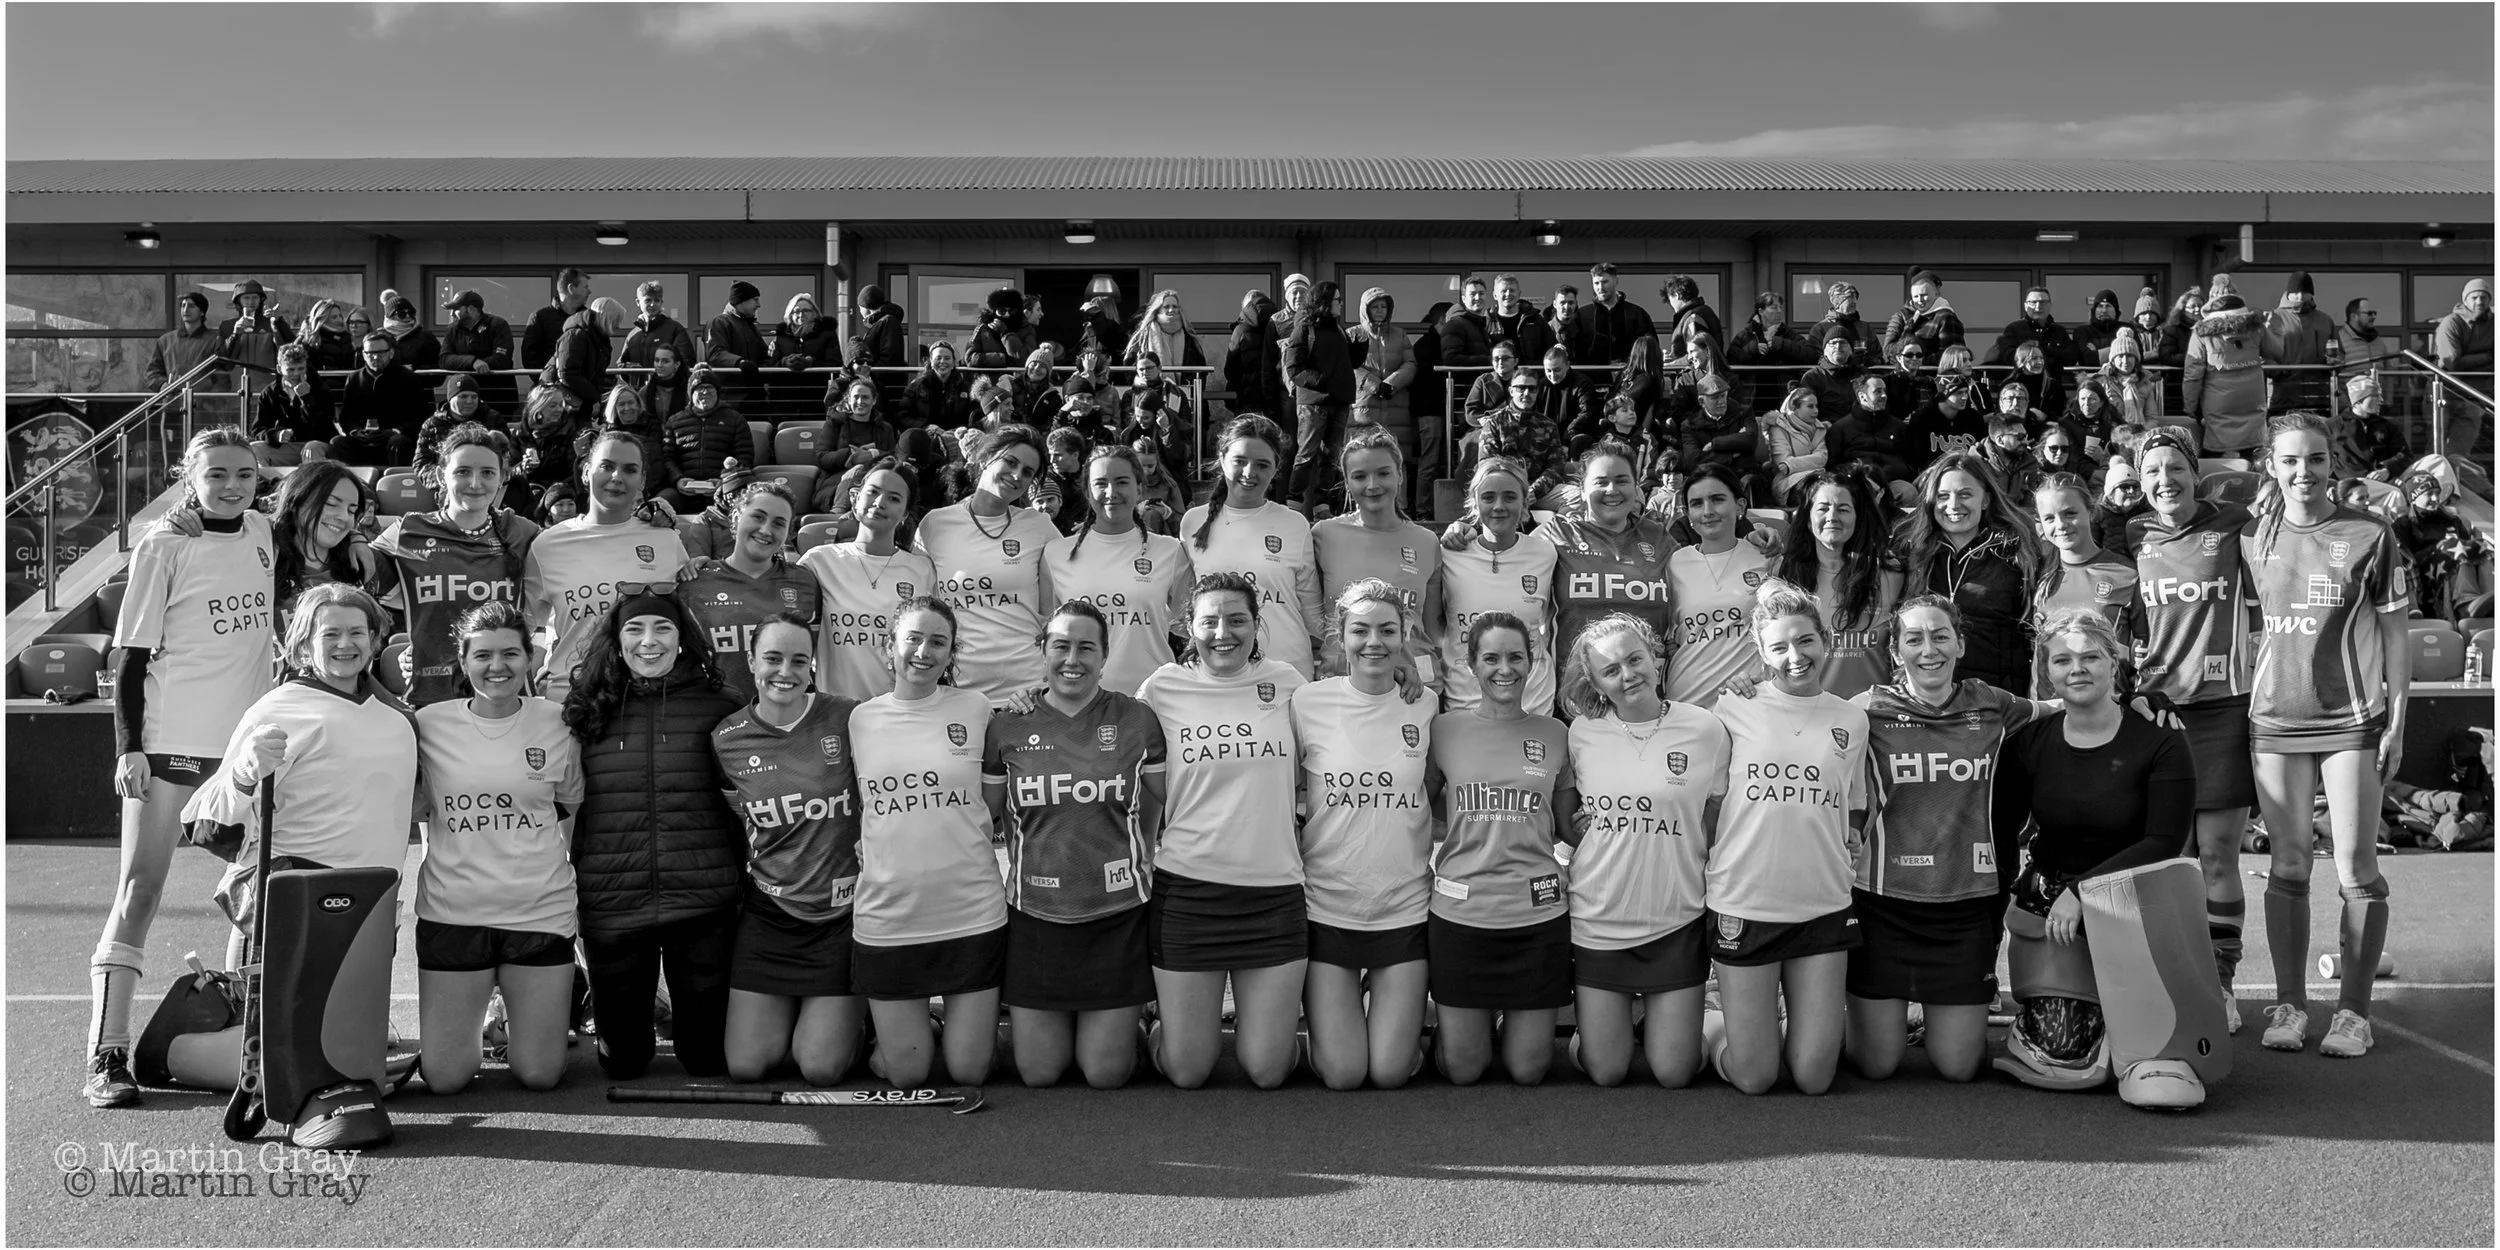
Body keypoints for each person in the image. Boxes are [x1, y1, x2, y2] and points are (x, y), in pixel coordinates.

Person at [82, 429, 275, 1108]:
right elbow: (130, 658)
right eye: (216, 474)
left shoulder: (264, 534)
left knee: (256, 897)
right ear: (186, 478)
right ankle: (106, 1053)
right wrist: (127, 747)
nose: (231, 486)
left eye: (243, 475)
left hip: (245, 749)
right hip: (170, 744)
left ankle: (247, 1034)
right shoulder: (164, 544)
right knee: (141, 888)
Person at [176, 583, 416, 1067]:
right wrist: (244, 772)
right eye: (330, 634)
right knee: (275, 1052)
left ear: (374, 640)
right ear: (304, 643)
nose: (345, 644)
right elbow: (204, 820)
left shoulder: (394, 713)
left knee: (344, 1054)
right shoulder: (278, 708)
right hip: (292, 897)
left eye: (357, 632)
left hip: (369, 901)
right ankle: (178, 1054)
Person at [2243, 414, 2411, 1059]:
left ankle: (2353, 1013)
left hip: (2351, 724)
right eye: (2289, 461)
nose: (2303, 472)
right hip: (2273, 722)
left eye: (2315, 459)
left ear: (2332, 465)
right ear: (2270, 467)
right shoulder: (2251, 534)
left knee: (2355, 868)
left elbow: (2396, 634)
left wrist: (2398, 719)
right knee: (2286, 865)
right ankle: (2289, 1005)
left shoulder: (2370, 533)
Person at [1991, 608, 2204, 1104]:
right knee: (2065, 1053)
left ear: (2115, 662)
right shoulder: (2030, 742)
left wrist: (2085, 890)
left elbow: (2164, 842)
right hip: (2054, 911)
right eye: (2062, 660)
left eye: (2090, 657)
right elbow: (2002, 830)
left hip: (2139, 902)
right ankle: (2068, 1018)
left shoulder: (2161, 736)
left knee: (2159, 1058)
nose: (2077, 669)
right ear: (2047, 671)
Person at [1844, 596, 2042, 1083]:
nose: (1928, 649)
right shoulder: (1864, 710)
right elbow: (1795, 720)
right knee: (1876, 1065)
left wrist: (2139, 699)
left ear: (1960, 644)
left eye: (1940, 636)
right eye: (1914, 639)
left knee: (1959, 1069)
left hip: (1965, 906)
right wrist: (1747, 689)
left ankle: (1931, 1017)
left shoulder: (1992, 703)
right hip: (1883, 904)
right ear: (1896, 652)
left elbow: (2069, 706)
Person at [969, 602, 1162, 1089]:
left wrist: (1144, 855)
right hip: (1037, 914)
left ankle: (1144, 1021)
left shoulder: (1137, 718)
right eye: (1060, 646)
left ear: (1104, 655)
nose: (1072, 659)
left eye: (1085, 648)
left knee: (1104, 1073)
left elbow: (1162, 803)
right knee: (1038, 1072)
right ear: (1043, 651)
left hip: (1116, 912)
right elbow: (980, 815)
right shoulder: (1007, 724)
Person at [563, 589, 746, 1080]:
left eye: (662, 629)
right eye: (635, 630)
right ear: (616, 641)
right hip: (614, 898)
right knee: (622, 1063)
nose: (650, 641)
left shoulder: (722, 706)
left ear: (683, 639)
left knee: (707, 1060)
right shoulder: (587, 708)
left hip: (703, 898)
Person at [1135, 573, 1307, 1089]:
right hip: (1188, 891)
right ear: (1189, 626)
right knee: (1187, 1071)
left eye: (1237, 620)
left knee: (1268, 1071)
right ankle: (1157, 1021)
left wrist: (1407, 675)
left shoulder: (1291, 684)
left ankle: (1288, 1030)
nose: (1222, 632)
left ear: (1257, 625)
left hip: (1273, 894)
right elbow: (1121, 756)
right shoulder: (1161, 688)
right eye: (1209, 621)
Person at [1701, 579, 1870, 1096]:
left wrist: (1853, 837)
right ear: (1760, 652)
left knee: (1815, 1078)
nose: (1794, 656)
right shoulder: (1731, 709)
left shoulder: (1852, 718)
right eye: (1778, 647)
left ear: (1825, 641)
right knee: (1755, 1078)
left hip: (1821, 903)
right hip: (1746, 901)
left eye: (1805, 641)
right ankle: (1710, 1024)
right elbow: (1708, 804)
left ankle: (1775, 1031)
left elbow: (1855, 802)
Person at [412, 602, 582, 1094]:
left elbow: (567, 801)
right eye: (482, 655)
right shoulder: (429, 724)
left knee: (540, 1074)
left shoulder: (558, 722)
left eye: (510, 653)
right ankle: (493, 1017)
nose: (497, 666)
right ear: (463, 662)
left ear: (530, 658)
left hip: (539, 912)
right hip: (453, 912)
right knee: (445, 1079)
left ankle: (513, 1020)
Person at [2126, 429, 2259, 1032]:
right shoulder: (2131, 535)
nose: (2163, 480)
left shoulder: (2234, 520)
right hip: (2156, 714)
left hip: (2225, 708)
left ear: (2193, 473)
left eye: (2174, 467)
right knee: (2170, 860)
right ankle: (2175, 981)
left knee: (2217, 854)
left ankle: (2221, 984)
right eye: (2151, 471)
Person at [1556, 613, 1723, 1088]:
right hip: (1599, 920)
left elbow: (1715, 815)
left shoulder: (1706, 729)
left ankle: (1703, 1024)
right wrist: (1576, 830)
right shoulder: (1581, 732)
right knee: (1606, 1072)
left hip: (1675, 918)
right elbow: (1570, 820)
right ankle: (1597, 1035)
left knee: (1674, 1073)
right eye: (1611, 670)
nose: (1627, 675)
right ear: (1594, 680)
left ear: (1656, 657)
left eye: (1635, 660)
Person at [712, 613, 867, 1085]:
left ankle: (874, 1025)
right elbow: (737, 823)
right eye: (773, 658)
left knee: (819, 1067)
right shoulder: (726, 740)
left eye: (799, 660)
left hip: (842, 917)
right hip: (770, 916)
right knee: (746, 1065)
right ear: (751, 661)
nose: (786, 671)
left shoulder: (850, 717)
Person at [1292, 580, 1436, 1090]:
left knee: (1391, 1072)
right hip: (1327, 907)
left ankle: (1403, 1026)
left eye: (1387, 630)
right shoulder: (1305, 702)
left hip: (1403, 908)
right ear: (1340, 637)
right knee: (1345, 1075)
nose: (1373, 642)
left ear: (1405, 636)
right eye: (1360, 630)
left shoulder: (1427, 705)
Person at [1424, 613, 1572, 1085]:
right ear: (1471, 665)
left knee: (1529, 1070)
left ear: (1532, 663)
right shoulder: (1442, 729)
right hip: (1461, 916)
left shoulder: (1557, 734)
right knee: (1464, 1070)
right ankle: (1456, 1026)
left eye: (1515, 657)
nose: (1504, 669)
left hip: (1537, 915)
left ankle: (1508, 1019)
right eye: (1491, 658)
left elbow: (1568, 824)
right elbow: (1419, 807)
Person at [373, 423, 540, 706]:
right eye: (463, 471)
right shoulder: (407, 531)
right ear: (440, 475)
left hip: (507, 698)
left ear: (502, 478)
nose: (475, 484)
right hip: (431, 697)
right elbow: (354, 574)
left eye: (487, 472)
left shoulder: (522, 532)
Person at [522, 430, 691, 701]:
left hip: (646, 696)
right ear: (587, 471)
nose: (617, 477)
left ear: (642, 479)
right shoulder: (546, 545)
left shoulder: (666, 539)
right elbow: (527, 627)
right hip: (571, 696)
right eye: (607, 466)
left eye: (630, 469)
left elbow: (685, 618)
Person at [916, 425, 1060, 705]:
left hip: (1028, 690)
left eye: (1028, 472)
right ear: (984, 459)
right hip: (957, 689)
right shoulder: (935, 524)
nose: (1018, 475)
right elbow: (924, 608)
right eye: (1011, 461)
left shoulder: (1040, 526)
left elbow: (1058, 602)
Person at [1041, 446, 1192, 697]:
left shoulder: (1170, 551)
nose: (1111, 492)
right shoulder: (1055, 554)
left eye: (1122, 482)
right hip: (1079, 701)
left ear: (1140, 489)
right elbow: (1044, 639)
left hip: (1152, 700)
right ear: (1088, 491)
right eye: (1101, 483)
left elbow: (1190, 628)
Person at [1182, 416, 1323, 679]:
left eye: (1262, 464)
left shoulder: (1294, 524)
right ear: (1222, 459)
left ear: (1276, 469)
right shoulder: (1193, 522)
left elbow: (1310, 604)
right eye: (1240, 461)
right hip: (1219, 669)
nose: (1249, 473)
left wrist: (1325, 656)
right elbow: (1186, 603)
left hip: (1288, 667)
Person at [1898, 453, 2040, 694]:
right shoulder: (1911, 553)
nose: (1953, 505)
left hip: (1995, 698)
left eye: (1965, 494)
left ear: (1985, 500)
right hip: (1926, 699)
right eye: (1943, 496)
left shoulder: (2016, 553)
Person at [799, 461, 937, 702]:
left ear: (905, 514)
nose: (880, 502)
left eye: (894, 498)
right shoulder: (818, 561)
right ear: (855, 498)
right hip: (835, 711)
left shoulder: (921, 570)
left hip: (898, 711)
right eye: (873, 491)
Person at [1312, 430, 1440, 679]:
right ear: (1347, 483)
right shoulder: (1323, 535)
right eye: (1360, 476)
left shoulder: (1427, 541)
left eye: (1383, 473)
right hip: (1343, 680)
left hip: (1416, 685)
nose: (1372, 485)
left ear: (1400, 475)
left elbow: (1433, 627)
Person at [1435, 459, 1559, 716]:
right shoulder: (1448, 553)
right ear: (1474, 503)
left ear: (1524, 503)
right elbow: (1434, 626)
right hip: (1464, 701)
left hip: (1532, 703)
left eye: (1510, 497)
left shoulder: (1545, 554)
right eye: (1488, 497)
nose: (1499, 507)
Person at [684, 483, 819, 700]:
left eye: (778, 523)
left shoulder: (804, 580)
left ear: (787, 533)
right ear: (736, 517)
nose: (766, 530)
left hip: (785, 718)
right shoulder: (695, 580)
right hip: (714, 717)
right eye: (758, 517)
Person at [1776, 469, 1903, 699]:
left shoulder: (1890, 574)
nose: (1832, 516)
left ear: (1857, 518)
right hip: (1807, 713)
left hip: (1874, 715)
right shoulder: (1784, 576)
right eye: (1823, 508)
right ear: (1806, 519)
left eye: (1843, 509)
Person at [1664, 464, 1774, 707]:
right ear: (1687, 513)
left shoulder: (1767, 557)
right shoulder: (1673, 563)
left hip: (1749, 700)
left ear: (1740, 506)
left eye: (1717, 499)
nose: (1708, 511)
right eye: (1697, 503)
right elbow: (1669, 635)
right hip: (1687, 701)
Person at [2028, 473, 2138, 700]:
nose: (2060, 525)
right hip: (2048, 715)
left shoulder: (2126, 574)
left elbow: (2144, 653)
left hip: (2109, 712)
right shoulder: (2035, 575)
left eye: (2070, 513)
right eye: (2049, 518)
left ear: (2091, 511)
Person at [1284, 280, 1359, 512]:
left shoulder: (1338, 329)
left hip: (1340, 400)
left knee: (1331, 457)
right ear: (1325, 302)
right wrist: (1322, 381)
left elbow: (1350, 363)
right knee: (1306, 454)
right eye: (1338, 300)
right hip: (1314, 403)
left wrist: (1360, 345)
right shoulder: (1305, 328)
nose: (1341, 304)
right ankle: (1294, 503)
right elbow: (1294, 369)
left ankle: (1322, 505)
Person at [2183, 286, 2273, 459]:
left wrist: (2190, 407)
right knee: (2254, 456)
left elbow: (2192, 376)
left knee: (2216, 458)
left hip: (2217, 406)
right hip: (2253, 402)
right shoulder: (2256, 329)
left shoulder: (2201, 333)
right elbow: (2277, 351)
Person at [660, 372, 760, 511]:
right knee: (659, 504)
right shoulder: (674, 421)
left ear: (718, 392)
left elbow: (744, 457)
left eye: (710, 387)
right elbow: (667, 458)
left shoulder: (735, 420)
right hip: (683, 490)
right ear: (691, 394)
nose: (705, 391)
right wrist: (678, 480)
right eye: (699, 388)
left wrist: (724, 481)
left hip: (723, 488)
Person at [1348, 286, 1418, 466]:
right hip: (1363, 409)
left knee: (1395, 462)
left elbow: (1410, 364)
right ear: (1366, 309)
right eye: (1375, 307)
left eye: (1383, 307)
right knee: (1360, 460)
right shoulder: (1353, 335)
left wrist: (1391, 384)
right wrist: (1375, 385)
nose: (1380, 311)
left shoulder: (1400, 334)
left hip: (1396, 408)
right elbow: (1347, 366)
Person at [1670, 374, 1766, 504]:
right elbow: (1693, 460)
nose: (1721, 401)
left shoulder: (1743, 412)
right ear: (1701, 401)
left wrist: (1715, 444)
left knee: (1750, 482)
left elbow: (1750, 441)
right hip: (1710, 477)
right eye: (1715, 398)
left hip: (1744, 473)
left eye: (1723, 396)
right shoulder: (1689, 425)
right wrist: (1732, 454)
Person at [337, 333, 428, 465]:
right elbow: (346, 417)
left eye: (381, 353)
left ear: (391, 353)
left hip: (394, 438)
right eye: (370, 353)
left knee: (398, 442)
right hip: (362, 439)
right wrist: (355, 432)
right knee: (338, 443)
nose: (375, 357)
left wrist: (394, 431)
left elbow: (421, 416)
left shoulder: (409, 378)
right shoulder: (354, 379)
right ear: (363, 355)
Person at [1823, 371, 1917, 498]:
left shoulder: (1898, 426)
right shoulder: (1840, 429)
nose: (1884, 395)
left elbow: (1910, 460)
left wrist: (1900, 471)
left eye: (1884, 390)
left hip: (1894, 483)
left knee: (1908, 493)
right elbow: (1833, 466)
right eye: (1878, 391)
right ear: (1862, 396)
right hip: (1858, 485)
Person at [2431, 277, 2493, 462]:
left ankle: (2458, 485)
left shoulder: (2494, 324)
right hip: (2444, 391)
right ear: (2465, 300)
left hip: (2476, 394)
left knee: (2460, 450)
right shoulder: (2451, 323)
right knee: (2435, 448)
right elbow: (2451, 362)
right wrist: (2488, 357)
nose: (2479, 301)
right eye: (2474, 297)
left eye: (2484, 297)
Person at [2264, 273, 2337, 417]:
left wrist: (2334, 362)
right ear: (2288, 293)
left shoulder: (2325, 320)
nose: (2299, 296)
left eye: (2304, 292)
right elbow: (2264, 354)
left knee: (2319, 437)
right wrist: (2278, 371)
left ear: (2311, 294)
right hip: (2284, 394)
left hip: (2319, 396)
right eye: (2295, 292)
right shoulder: (2274, 319)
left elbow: (2339, 352)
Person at [1730, 292, 1814, 413]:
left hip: (1782, 397)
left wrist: (1783, 344)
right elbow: (1732, 358)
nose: (1779, 311)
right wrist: (1752, 349)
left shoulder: (1788, 333)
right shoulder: (1745, 334)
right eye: (1774, 308)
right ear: (1761, 311)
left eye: (1780, 307)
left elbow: (1810, 355)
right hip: (1751, 399)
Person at [251, 343, 339, 457]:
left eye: (301, 368)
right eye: (290, 370)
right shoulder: (269, 393)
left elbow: (324, 426)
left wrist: (306, 398)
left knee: (311, 448)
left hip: (317, 445)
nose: (296, 374)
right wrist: (276, 435)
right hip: (288, 447)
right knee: (255, 448)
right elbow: (257, 429)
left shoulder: (321, 388)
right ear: (279, 369)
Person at [440, 288, 518, 411]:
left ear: (471, 309)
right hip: (465, 398)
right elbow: (445, 359)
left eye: (456, 309)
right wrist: (473, 362)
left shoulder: (498, 324)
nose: (452, 314)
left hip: (498, 397)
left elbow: (502, 358)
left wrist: (482, 364)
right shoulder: (452, 329)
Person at [1576, 262, 1658, 367]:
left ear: (1616, 281)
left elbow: (1650, 348)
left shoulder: (1636, 314)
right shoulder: (1582, 315)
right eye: (1596, 283)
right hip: (1592, 378)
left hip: (1629, 377)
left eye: (1605, 282)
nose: (1600, 287)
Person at [214, 280, 295, 383]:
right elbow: (219, 359)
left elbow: (291, 349)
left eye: (255, 297)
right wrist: (235, 335)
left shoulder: (272, 322)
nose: (251, 302)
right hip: (237, 389)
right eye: (246, 298)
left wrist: (278, 323)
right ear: (238, 301)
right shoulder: (227, 326)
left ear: (261, 300)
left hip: (270, 386)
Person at [1986, 287, 2081, 372]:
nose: (2038, 306)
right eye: (2033, 302)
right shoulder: (2014, 329)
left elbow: (2071, 357)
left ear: (2049, 305)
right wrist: (2052, 356)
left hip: (2051, 384)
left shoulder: (2059, 331)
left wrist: (2043, 349)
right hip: (2022, 384)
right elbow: (2009, 356)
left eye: (2043, 302)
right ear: (2025, 306)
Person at [521, 268, 592, 374]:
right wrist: (545, 379)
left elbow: (602, 351)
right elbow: (530, 355)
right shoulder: (540, 317)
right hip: (549, 386)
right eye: (585, 287)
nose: (589, 292)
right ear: (571, 288)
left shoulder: (590, 318)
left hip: (584, 385)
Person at [1882, 271, 1965, 361]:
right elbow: (1888, 350)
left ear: (1936, 294)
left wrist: (1916, 360)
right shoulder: (1913, 318)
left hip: (1931, 374)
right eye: (1916, 296)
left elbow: (1951, 356)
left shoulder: (1946, 317)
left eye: (1924, 295)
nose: (1920, 300)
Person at [144, 292, 219, 391]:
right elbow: (152, 372)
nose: (185, 309)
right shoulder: (165, 341)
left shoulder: (215, 340)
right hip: (171, 401)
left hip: (203, 401)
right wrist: (162, 385)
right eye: (183, 305)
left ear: (202, 312)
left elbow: (221, 375)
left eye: (191, 306)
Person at [903, 341, 977, 432]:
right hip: (926, 437)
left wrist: (964, 429)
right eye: (938, 358)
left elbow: (976, 417)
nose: (942, 362)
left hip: (958, 438)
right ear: (931, 361)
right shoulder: (917, 386)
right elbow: (903, 416)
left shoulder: (967, 388)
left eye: (947, 358)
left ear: (954, 362)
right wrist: (924, 427)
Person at [379, 296, 441, 372]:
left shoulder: (426, 338)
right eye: (402, 314)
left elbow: (439, 367)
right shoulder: (379, 337)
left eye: (411, 312)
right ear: (390, 316)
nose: (408, 316)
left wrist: (413, 368)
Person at [2075, 289, 2126, 364]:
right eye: (2100, 306)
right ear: (2094, 310)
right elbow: (2087, 359)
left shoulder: (2126, 329)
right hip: (2092, 375)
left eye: (2108, 306)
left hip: (2121, 374)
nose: (2104, 310)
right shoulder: (2082, 331)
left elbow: (2137, 356)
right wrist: (2123, 349)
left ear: (2116, 310)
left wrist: (2097, 353)